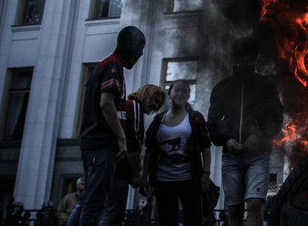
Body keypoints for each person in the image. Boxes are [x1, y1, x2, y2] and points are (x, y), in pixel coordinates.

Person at [72, 26, 146, 226]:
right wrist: (121, 138)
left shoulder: (104, 65)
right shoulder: (113, 66)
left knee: (87, 199)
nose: (141, 53)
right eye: (141, 47)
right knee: (95, 203)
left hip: (92, 144)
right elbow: (106, 103)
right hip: (101, 145)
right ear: (130, 45)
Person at [207, 38, 283, 226]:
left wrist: (260, 137)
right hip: (231, 156)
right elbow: (213, 123)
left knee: (256, 204)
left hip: (258, 155)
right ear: (234, 57)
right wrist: (226, 141)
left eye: (248, 56)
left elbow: (276, 119)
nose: (244, 61)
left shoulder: (266, 86)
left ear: (255, 58)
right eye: (240, 56)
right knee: (234, 208)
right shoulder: (222, 88)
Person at [144, 80, 212, 226]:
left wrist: (206, 174)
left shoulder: (195, 118)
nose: (180, 94)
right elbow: (150, 150)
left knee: (193, 219)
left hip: (189, 179)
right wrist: (144, 177)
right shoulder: (158, 120)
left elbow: (206, 147)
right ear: (170, 93)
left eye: (184, 91)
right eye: (177, 90)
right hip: (163, 180)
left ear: (188, 96)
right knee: (166, 220)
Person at [100, 85, 166, 226]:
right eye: (154, 100)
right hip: (118, 170)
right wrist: (137, 174)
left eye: (158, 104)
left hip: (104, 165)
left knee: (94, 210)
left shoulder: (123, 105)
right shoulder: (134, 106)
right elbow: (132, 143)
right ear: (145, 94)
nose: (155, 105)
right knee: (113, 216)